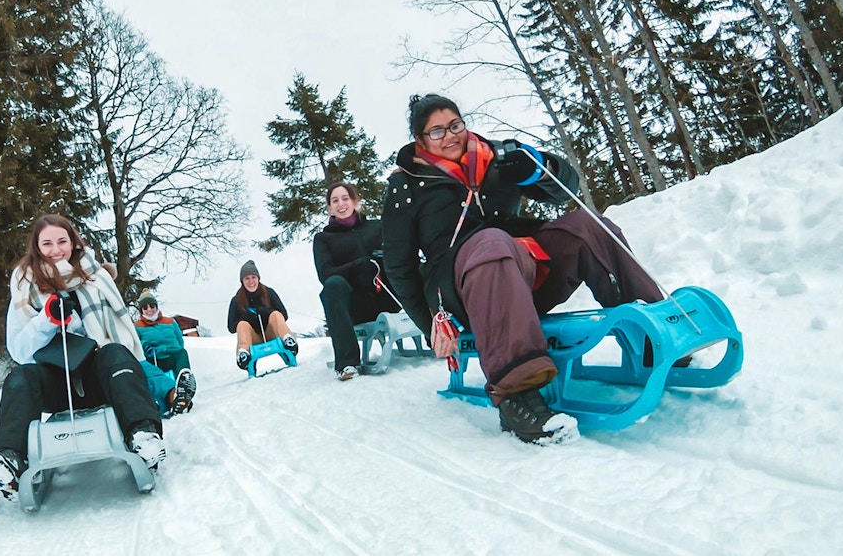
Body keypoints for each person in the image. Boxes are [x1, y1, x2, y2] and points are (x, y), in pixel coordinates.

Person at [380, 94, 664, 445]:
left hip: (523, 269)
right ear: (420, 140)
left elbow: (565, 191)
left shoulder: (498, 156)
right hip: (461, 289)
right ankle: (516, 394)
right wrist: (431, 327)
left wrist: (540, 167)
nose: (450, 135)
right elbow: (398, 265)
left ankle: (654, 332)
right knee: (492, 243)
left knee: (588, 225)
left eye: (455, 125)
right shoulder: (406, 186)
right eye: (436, 131)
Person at [0, 214, 166, 501]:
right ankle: (10, 457)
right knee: (20, 377)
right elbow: (18, 350)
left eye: (62, 241)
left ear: (73, 242)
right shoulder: (23, 283)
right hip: (55, 381)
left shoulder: (97, 276)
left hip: (100, 378)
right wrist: (47, 320)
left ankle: (142, 435)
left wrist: (76, 321)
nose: (56, 250)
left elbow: (118, 335)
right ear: (36, 246)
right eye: (47, 243)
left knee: (116, 353)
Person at [313, 181, 400, 381]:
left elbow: (400, 253)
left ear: (355, 201)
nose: (341, 204)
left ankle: (440, 337)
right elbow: (324, 274)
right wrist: (355, 266)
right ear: (329, 208)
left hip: (386, 296)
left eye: (345, 198)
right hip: (354, 307)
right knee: (333, 284)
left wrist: (384, 257)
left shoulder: (377, 227)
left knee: (419, 267)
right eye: (335, 201)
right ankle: (347, 363)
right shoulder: (323, 239)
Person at [226, 260, 298, 370]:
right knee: (242, 324)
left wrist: (267, 312)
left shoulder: (269, 292)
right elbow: (231, 328)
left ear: (258, 278)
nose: (251, 281)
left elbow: (284, 315)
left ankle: (288, 340)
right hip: (252, 338)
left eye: (253, 277)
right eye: (247, 278)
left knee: (275, 314)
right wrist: (245, 318)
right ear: (242, 281)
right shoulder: (236, 300)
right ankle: (244, 354)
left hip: (272, 332)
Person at [134, 292, 196, 417]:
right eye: (145, 308)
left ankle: (183, 383)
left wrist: (175, 349)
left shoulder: (170, 321)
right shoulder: (137, 326)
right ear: (141, 311)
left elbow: (180, 340)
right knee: (147, 369)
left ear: (156, 307)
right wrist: (146, 346)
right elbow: (137, 345)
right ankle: (172, 397)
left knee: (181, 353)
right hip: (155, 359)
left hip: (172, 356)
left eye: (152, 306)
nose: (149, 310)